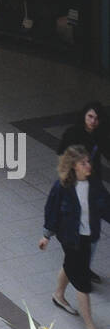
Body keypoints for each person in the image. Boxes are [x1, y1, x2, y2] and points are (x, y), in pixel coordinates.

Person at [40, 145, 110, 329]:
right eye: (84, 163)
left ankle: (58, 295)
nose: (89, 165)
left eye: (88, 161)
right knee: (82, 284)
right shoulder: (61, 187)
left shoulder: (94, 184)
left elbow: (106, 207)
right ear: (73, 167)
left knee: (70, 266)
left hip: (88, 237)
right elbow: (51, 211)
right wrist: (46, 235)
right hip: (70, 239)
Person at [58, 101, 109, 284]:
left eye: (96, 118)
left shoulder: (100, 134)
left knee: (92, 229)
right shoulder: (73, 133)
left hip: (93, 184)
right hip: (75, 184)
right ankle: (79, 270)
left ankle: (82, 268)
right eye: (90, 116)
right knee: (82, 230)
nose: (93, 121)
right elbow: (61, 155)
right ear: (84, 116)